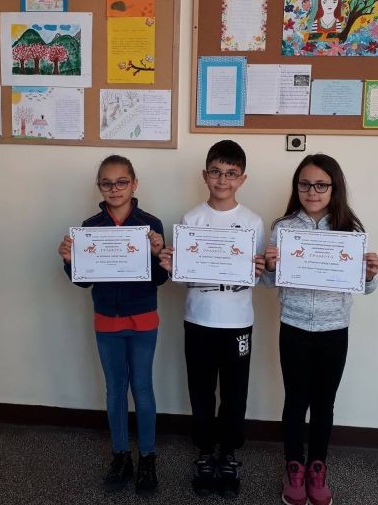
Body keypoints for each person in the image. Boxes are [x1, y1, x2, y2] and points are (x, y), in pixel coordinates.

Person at [261, 154, 378, 505]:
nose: (312, 191)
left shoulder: (349, 231)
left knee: (324, 403)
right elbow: (269, 282)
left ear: (334, 188)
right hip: (294, 326)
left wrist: (370, 275)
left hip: (334, 330)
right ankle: (294, 467)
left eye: (320, 185)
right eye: (304, 184)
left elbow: (365, 287)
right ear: (296, 187)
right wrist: (270, 267)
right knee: (295, 400)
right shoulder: (283, 228)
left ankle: (317, 466)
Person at [158, 140, 265, 498]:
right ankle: (205, 453)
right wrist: (172, 267)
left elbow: (256, 274)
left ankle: (229, 453)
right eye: (216, 172)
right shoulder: (191, 219)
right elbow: (184, 276)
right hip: (199, 318)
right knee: (201, 389)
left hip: (237, 321)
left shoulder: (252, 222)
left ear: (242, 179)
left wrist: (261, 269)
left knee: (235, 393)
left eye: (231, 174)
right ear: (205, 175)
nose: (223, 180)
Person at [57, 155, 168, 495]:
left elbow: (160, 278)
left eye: (122, 182)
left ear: (134, 184)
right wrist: (70, 261)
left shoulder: (150, 225)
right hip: (106, 318)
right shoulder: (90, 227)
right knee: (115, 389)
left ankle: (147, 458)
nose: (114, 189)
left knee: (143, 388)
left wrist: (158, 253)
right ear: (99, 187)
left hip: (143, 318)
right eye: (107, 183)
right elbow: (83, 281)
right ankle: (121, 456)